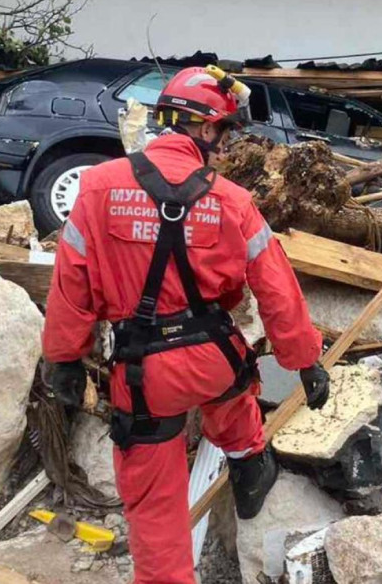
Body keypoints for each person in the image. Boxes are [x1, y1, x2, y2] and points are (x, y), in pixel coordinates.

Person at [41, 66, 328, 584]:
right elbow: (277, 289)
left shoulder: (98, 188)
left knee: (154, 508)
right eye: (224, 132)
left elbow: (71, 285)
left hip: (143, 372)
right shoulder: (233, 202)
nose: (225, 146)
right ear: (203, 128)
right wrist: (305, 360)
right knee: (234, 389)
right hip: (212, 354)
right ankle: (248, 463)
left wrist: (63, 357)